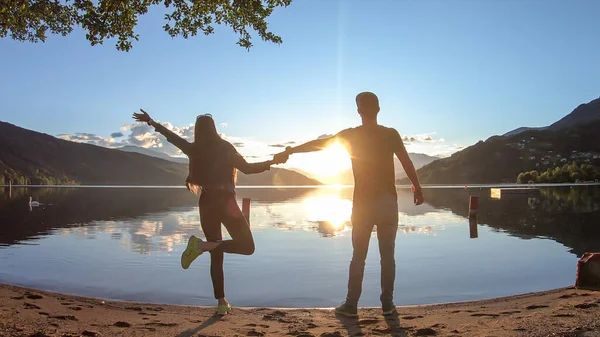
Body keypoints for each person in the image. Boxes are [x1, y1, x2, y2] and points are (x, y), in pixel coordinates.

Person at [281, 92, 424, 317]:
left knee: (359, 256)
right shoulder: (391, 134)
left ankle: (351, 305)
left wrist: (291, 150)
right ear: (378, 109)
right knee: (388, 255)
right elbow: (406, 161)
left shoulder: (351, 135)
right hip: (388, 202)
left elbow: (320, 145)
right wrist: (417, 187)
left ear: (359, 111)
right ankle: (387, 305)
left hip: (364, 204)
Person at [132, 109, 288, 315]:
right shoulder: (225, 148)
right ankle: (202, 247)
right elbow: (248, 169)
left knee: (216, 253)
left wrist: (152, 122)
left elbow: (172, 138)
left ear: (198, 130)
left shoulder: (194, 149)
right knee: (247, 246)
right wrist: (273, 162)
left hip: (206, 202)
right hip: (226, 202)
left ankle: (221, 302)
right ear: (214, 129)